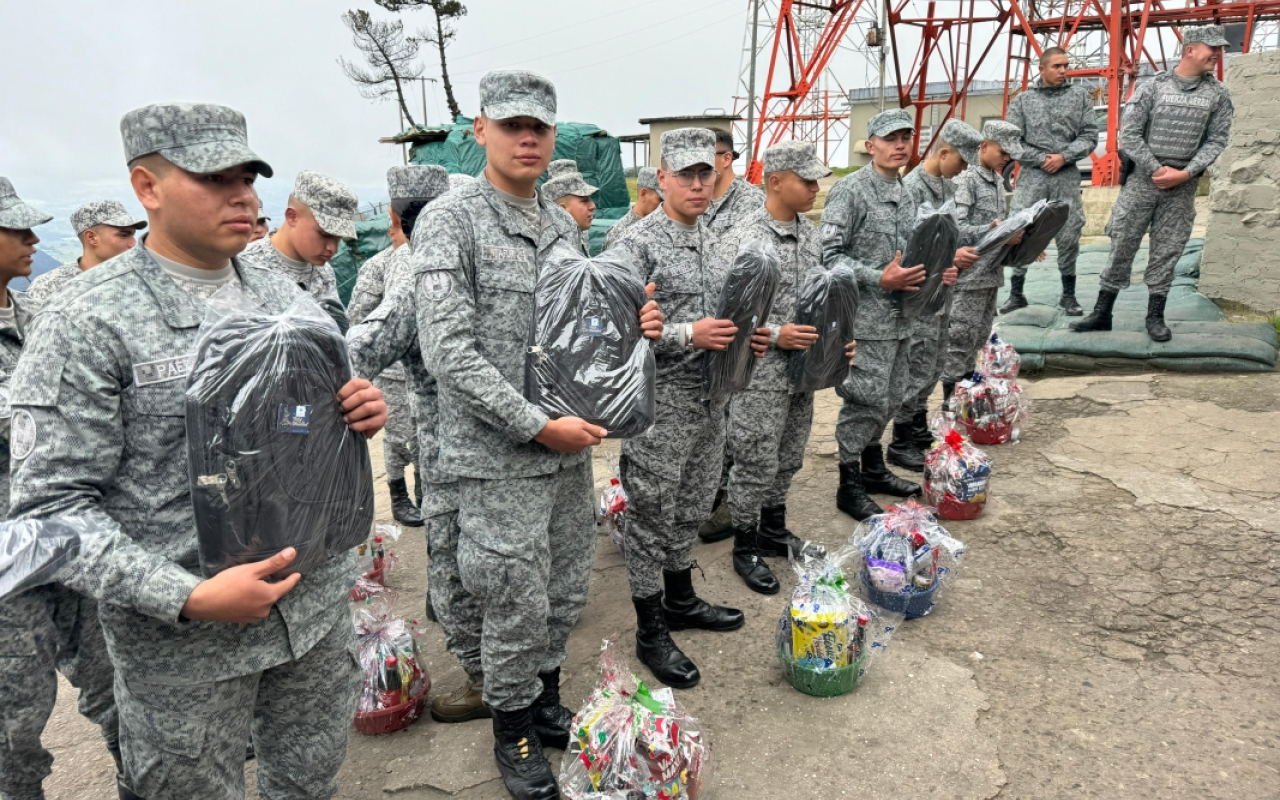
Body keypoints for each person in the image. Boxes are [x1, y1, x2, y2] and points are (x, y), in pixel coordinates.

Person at [7, 102, 388, 800]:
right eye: (214, 178)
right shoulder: (86, 319)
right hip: (185, 646)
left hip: (311, 609)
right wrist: (185, 596)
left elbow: (302, 430)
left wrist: (354, 414)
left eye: (247, 176)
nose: (242, 196)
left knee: (308, 781)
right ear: (146, 187)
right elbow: (50, 511)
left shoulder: (287, 296)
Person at [412, 70, 663, 800]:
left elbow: (579, 333)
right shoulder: (451, 223)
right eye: (514, 124)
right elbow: (448, 353)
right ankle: (512, 724)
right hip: (497, 459)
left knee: (561, 587)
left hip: (566, 451)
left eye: (541, 128)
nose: (528, 137)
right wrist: (535, 425)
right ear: (481, 131)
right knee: (509, 598)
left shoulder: (561, 224)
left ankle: (543, 696)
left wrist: (633, 330)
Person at [344, 165, 492, 726]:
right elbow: (356, 349)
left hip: (496, 451)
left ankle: (502, 673)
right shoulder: (416, 279)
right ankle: (483, 678)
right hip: (451, 458)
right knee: (458, 569)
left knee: (485, 567)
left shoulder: (463, 262)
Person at [0, 178, 122, 800]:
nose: (29, 239)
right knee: (12, 730)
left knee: (117, 687)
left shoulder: (37, 317)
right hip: (7, 565)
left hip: (71, 537)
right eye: (14, 228)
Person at [611, 127, 744, 691]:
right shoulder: (634, 246)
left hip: (711, 403)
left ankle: (682, 596)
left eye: (704, 173)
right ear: (660, 177)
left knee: (692, 504)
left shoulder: (718, 239)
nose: (696, 183)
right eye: (684, 174)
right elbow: (611, 334)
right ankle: (650, 625)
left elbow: (731, 312)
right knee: (650, 516)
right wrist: (691, 332)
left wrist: (747, 338)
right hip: (659, 408)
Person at [716, 141, 855, 593]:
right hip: (759, 373)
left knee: (789, 456)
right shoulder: (745, 236)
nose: (817, 189)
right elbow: (727, 313)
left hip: (804, 370)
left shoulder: (811, 234)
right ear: (775, 181)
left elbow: (820, 299)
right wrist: (777, 334)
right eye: (807, 180)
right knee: (754, 459)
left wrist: (837, 343)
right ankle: (745, 542)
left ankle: (774, 529)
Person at [823, 110, 958, 521]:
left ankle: (874, 467)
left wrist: (942, 268)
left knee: (893, 395)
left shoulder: (911, 192)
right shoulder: (850, 191)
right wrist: (878, 277)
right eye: (889, 138)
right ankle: (849, 483)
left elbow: (920, 249)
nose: (899, 144)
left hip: (904, 319)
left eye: (905, 137)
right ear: (870, 146)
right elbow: (829, 257)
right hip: (866, 321)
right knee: (864, 402)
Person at [1073, 25, 1234, 342]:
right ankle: (1102, 313)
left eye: (1220, 48)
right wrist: (1156, 168)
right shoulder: (1152, 88)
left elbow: (1217, 141)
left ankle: (1155, 318)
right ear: (1189, 49)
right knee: (1122, 244)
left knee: (1168, 251)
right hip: (1142, 184)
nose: (1217, 54)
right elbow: (1129, 135)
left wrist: (1185, 173)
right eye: (1210, 48)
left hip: (1182, 188)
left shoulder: (1218, 95)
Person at [888, 119, 984, 470]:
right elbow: (906, 248)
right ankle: (900, 439)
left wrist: (956, 256)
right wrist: (948, 257)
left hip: (940, 291)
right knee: (916, 364)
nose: (962, 170)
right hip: (919, 294)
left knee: (933, 363)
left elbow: (948, 236)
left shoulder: (944, 187)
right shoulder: (911, 188)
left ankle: (915, 427)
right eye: (960, 162)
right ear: (943, 152)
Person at [348, 167, 437, 528]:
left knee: (418, 438)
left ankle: (422, 493)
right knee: (399, 435)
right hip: (392, 370)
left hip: (424, 370)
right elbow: (358, 317)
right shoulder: (379, 267)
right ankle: (398, 493)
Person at [1001, 46, 1098, 316]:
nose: (1063, 71)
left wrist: (1064, 156)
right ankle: (1016, 293)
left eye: (1066, 65)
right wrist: (1042, 158)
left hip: (1066, 177)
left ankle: (1069, 296)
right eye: (1057, 66)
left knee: (1069, 233)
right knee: (1021, 228)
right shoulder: (1022, 101)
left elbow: (1090, 135)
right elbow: (1011, 140)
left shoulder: (1080, 97)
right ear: (1041, 69)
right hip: (1033, 177)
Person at [943, 120, 1024, 401]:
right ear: (985, 146)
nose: (1007, 158)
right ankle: (949, 405)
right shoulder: (967, 179)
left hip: (989, 275)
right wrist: (996, 231)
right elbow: (955, 228)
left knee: (977, 340)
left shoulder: (996, 180)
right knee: (959, 340)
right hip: (968, 277)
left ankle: (964, 401)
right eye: (1003, 152)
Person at [240, 170, 357, 333]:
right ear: (292, 217)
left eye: (338, 238)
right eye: (325, 235)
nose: (333, 248)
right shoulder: (245, 265)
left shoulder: (324, 273)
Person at [24, 199, 146, 311]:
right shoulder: (49, 286)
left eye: (133, 235)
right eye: (124, 235)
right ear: (91, 238)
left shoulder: (140, 282)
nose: (133, 243)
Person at [539, 158, 598, 250]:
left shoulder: (580, 232)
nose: (593, 206)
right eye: (584, 201)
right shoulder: (551, 245)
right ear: (562, 210)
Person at [604, 166, 662, 249]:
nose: (664, 205)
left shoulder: (665, 227)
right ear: (644, 194)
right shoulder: (618, 233)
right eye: (660, 200)